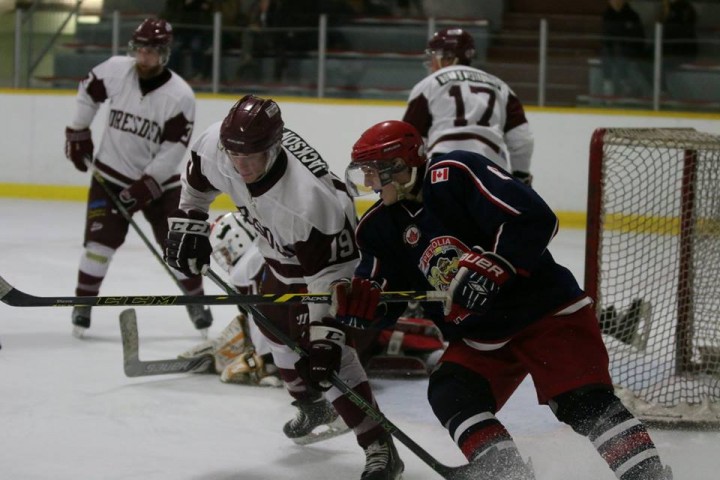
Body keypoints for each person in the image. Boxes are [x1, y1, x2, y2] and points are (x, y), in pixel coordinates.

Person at [326, 119, 673, 479]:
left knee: (582, 400)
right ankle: (504, 471)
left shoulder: (455, 172)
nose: (367, 184)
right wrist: (364, 308)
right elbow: (384, 295)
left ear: (401, 167)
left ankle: (647, 476)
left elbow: (534, 218)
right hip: (483, 335)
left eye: (374, 172)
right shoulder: (379, 227)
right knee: (452, 390)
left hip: (544, 311)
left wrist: (497, 263)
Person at [163, 94, 404, 479]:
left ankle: (379, 444)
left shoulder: (310, 201)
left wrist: (326, 334)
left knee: (330, 356)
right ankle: (312, 406)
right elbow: (196, 185)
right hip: (274, 249)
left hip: (319, 265)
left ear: (274, 149)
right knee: (274, 332)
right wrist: (189, 223)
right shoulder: (218, 144)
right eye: (233, 155)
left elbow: (329, 280)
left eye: (251, 157)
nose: (240, 166)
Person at [63, 18, 212, 339]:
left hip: (161, 184)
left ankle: (195, 302)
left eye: (151, 52)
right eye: (139, 50)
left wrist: (148, 184)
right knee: (98, 247)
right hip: (110, 177)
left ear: (164, 53)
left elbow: (175, 148)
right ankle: (83, 303)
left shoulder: (180, 96)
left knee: (178, 246)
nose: (143, 57)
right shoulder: (116, 70)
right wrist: (78, 128)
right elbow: (88, 91)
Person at [402, 27, 535, 186]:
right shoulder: (501, 87)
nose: (431, 63)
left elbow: (411, 138)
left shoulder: (428, 84)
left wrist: (411, 178)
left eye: (434, 56)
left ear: (448, 57)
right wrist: (521, 175)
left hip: (444, 163)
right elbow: (522, 139)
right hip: (492, 167)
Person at [178, 212, 282, 387]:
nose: (225, 258)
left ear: (238, 239)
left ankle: (267, 361)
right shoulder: (270, 248)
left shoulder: (247, 267)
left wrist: (263, 358)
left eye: (226, 251)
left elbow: (263, 315)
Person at [601, 0, 650, 97]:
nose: (615, 2)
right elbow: (606, 37)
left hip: (630, 49)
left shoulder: (632, 15)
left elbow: (639, 37)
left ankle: (625, 82)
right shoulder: (607, 15)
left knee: (622, 53)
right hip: (614, 48)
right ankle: (608, 83)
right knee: (606, 52)